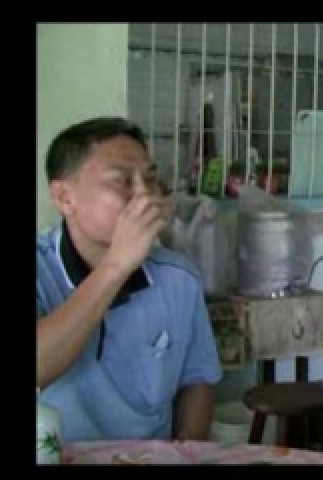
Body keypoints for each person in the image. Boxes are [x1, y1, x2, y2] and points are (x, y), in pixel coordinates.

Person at [37, 117, 223, 442]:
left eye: (150, 179)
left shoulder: (178, 278)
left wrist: (184, 454)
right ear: (65, 197)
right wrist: (115, 267)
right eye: (122, 181)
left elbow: (197, 380)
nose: (145, 196)